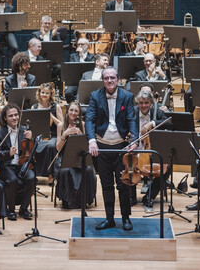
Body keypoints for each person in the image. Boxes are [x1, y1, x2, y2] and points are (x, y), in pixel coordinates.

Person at [86, 67, 138, 231]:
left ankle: (126, 218)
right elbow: (89, 120)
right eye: (106, 78)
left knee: (123, 184)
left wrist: (135, 140)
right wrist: (92, 140)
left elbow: (131, 119)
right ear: (103, 80)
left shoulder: (127, 96)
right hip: (102, 147)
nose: (109, 81)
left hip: (121, 147)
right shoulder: (95, 96)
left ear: (118, 79)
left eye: (112, 78)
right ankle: (109, 218)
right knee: (106, 184)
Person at [0, 104, 36, 220]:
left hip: (21, 165)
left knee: (32, 178)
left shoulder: (24, 131)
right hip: (6, 165)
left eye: (16, 115)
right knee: (13, 180)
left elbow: (31, 150)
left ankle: (23, 209)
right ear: (5, 118)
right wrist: (8, 154)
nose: (14, 118)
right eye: (11, 116)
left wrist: (31, 139)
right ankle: (10, 209)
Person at [132, 89, 172, 211]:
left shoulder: (157, 111)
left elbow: (169, 123)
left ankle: (149, 196)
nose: (144, 106)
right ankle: (131, 197)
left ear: (151, 103)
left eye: (147, 103)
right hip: (136, 147)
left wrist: (153, 123)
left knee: (167, 167)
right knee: (126, 162)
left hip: (153, 149)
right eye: (141, 103)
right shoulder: (132, 112)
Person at [54, 101, 97, 209]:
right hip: (65, 156)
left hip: (80, 156)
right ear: (67, 111)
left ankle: (85, 199)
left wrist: (80, 135)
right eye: (71, 110)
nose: (73, 113)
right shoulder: (60, 125)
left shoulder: (83, 125)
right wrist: (65, 134)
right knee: (65, 171)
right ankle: (66, 199)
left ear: (79, 113)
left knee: (87, 170)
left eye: (76, 111)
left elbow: (87, 146)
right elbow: (58, 148)